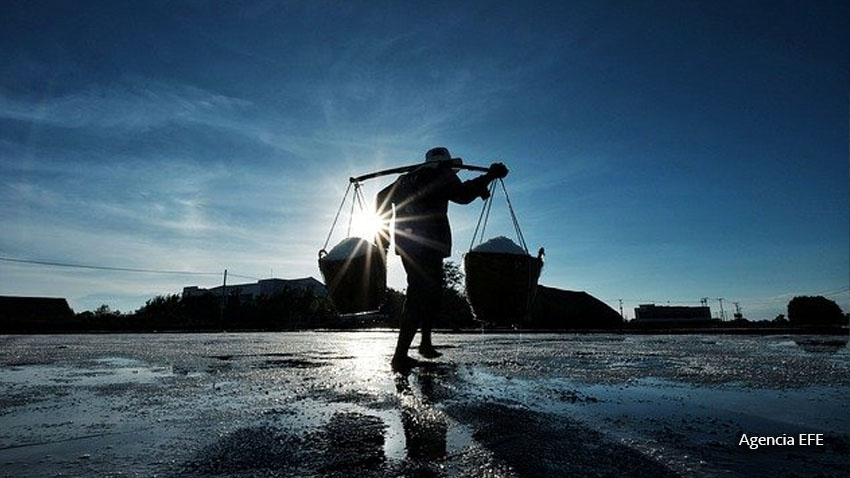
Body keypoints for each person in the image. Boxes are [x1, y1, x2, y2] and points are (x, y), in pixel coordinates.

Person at [376, 147, 508, 372]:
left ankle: (425, 344)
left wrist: (384, 236)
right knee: (420, 293)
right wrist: (490, 175)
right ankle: (400, 356)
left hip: (407, 242)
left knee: (430, 291)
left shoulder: (407, 179)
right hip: (427, 244)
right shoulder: (441, 174)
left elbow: (380, 198)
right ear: (445, 164)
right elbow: (463, 194)